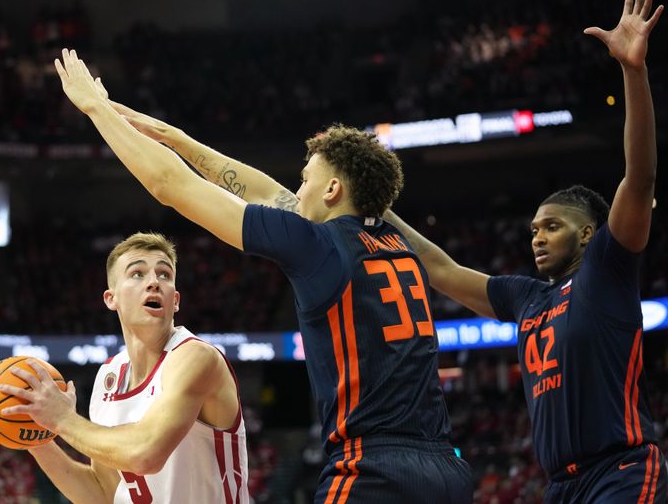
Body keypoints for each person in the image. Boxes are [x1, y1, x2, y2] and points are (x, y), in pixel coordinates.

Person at [55, 52, 473, 503]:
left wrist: (95, 108)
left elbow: (170, 186)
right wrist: (176, 138)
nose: (295, 192)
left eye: (305, 181)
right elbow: (263, 190)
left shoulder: (316, 243)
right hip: (446, 466)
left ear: (333, 191)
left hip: (373, 466)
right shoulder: (402, 245)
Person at [383, 0, 667, 503]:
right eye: (533, 227)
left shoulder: (607, 265)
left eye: (551, 226)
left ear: (587, 232)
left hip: (621, 471)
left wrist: (633, 70)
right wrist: (379, 206)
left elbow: (641, 177)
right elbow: (441, 271)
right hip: (560, 486)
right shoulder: (525, 296)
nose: (536, 235)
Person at [0, 232, 248, 503]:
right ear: (111, 298)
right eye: (137, 274)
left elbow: (145, 454)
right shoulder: (109, 375)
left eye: (164, 274)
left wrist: (62, 419)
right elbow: (104, 494)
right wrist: (36, 436)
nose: (154, 282)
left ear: (175, 300)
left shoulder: (195, 357)